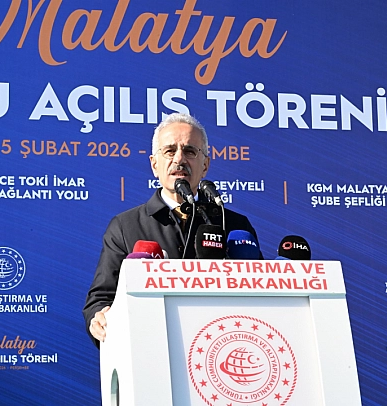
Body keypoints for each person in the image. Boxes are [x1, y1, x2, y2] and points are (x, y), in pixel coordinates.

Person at [82, 113, 261, 347]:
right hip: (151, 349)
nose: (179, 159)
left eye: (190, 151)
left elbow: (260, 295)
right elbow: (101, 299)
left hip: (222, 347)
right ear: (154, 165)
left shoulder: (235, 225)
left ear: (205, 165)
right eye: (169, 151)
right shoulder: (125, 226)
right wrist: (99, 318)